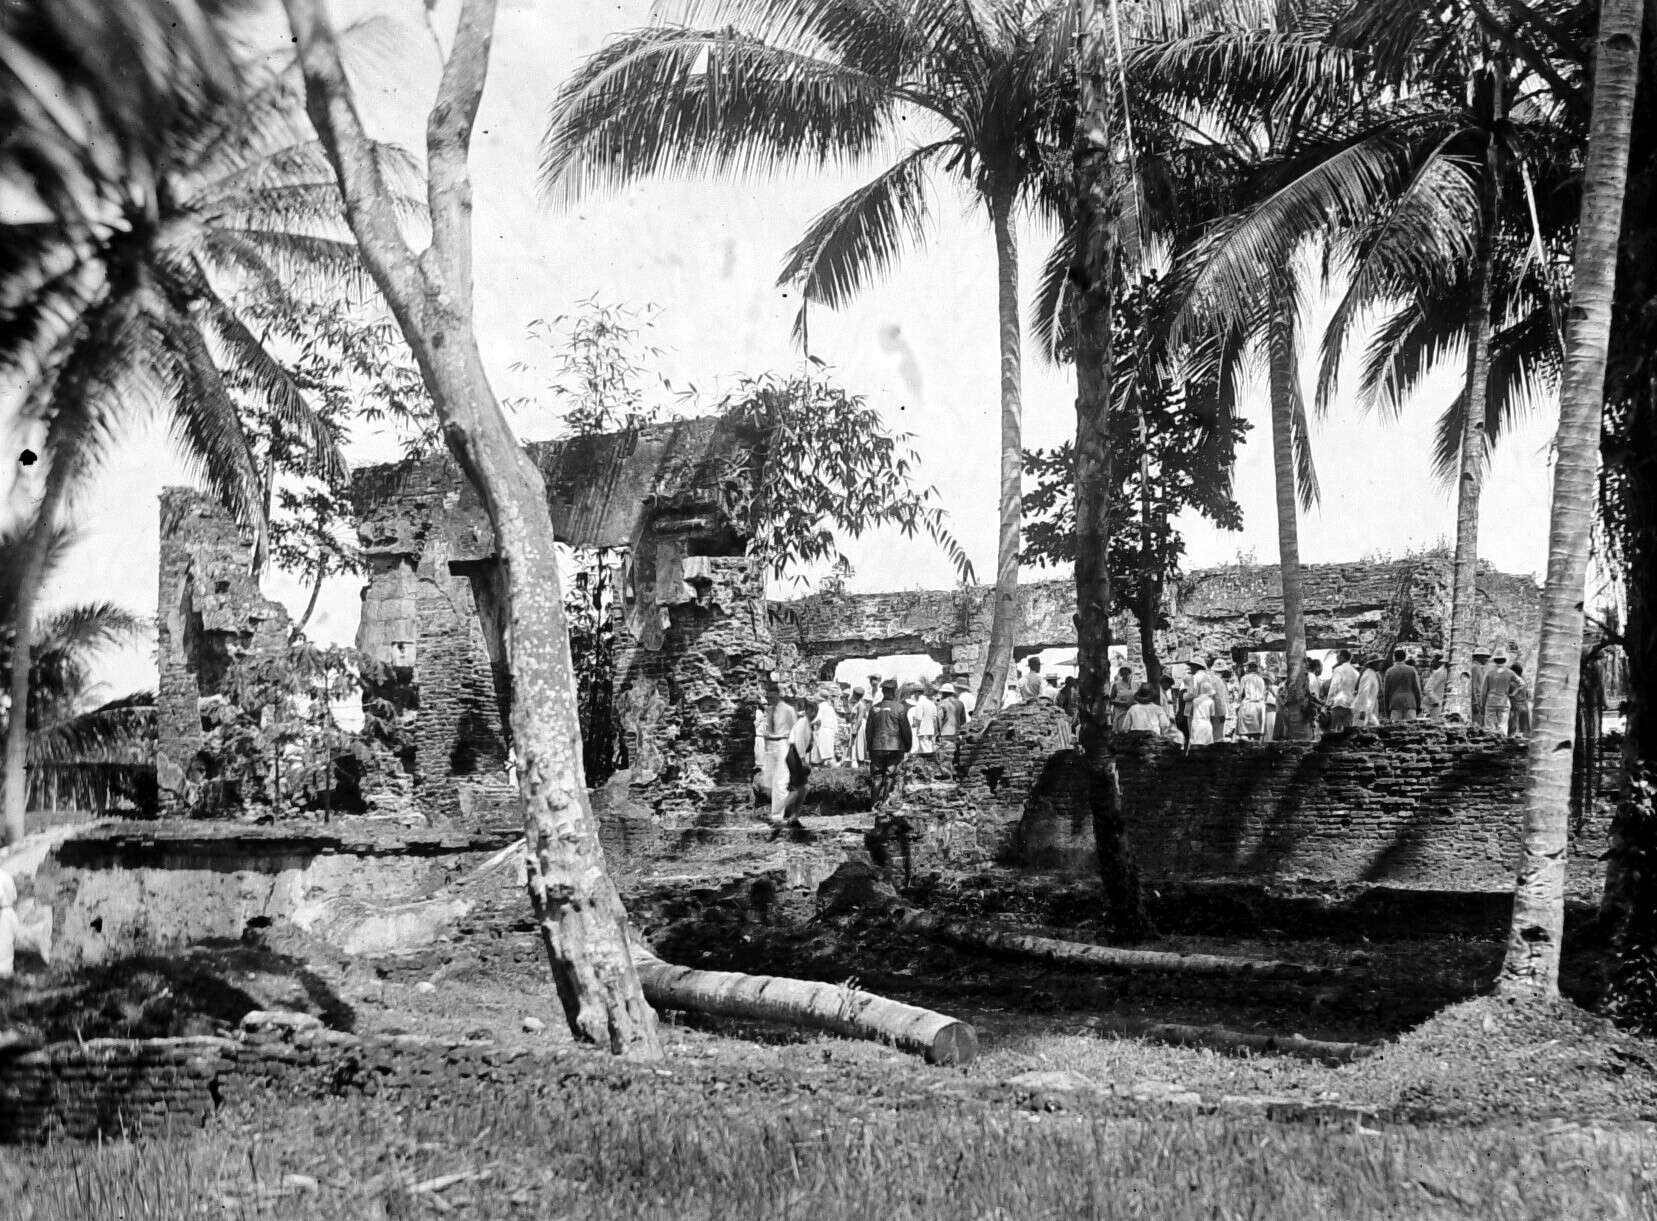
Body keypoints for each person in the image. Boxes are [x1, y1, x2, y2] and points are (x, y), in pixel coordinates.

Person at [864, 678, 911, 806]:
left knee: (876, 777)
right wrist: (908, 746)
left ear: (883, 691)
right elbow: (905, 730)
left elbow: (868, 730)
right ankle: (885, 806)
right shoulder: (900, 708)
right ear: (895, 691)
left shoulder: (874, 708)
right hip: (895, 747)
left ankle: (873, 806)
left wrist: (869, 748)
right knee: (890, 776)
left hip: (876, 747)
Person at [776, 698, 818, 824]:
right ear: (808, 710)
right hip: (795, 755)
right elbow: (799, 741)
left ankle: (794, 816)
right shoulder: (802, 722)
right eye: (814, 711)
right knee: (798, 788)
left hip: (797, 755)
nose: (815, 714)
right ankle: (778, 813)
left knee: (803, 788)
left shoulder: (807, 724)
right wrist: (802, 759)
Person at [759, 683, 797, 822]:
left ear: (778, 695)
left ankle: (777, 816)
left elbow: (794, 729)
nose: (770, 699)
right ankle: (783, 806)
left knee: (780, 781)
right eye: (768, 697)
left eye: (772, 696)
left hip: (783, 743)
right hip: (770, 744)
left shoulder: (788, 710)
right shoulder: (768, 710)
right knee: (767, 782)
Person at [1482, 650, 1518, 733]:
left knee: (1489, 728)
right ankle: (1502, 739)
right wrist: (1513, 694)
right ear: (1505, 660)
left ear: (1494, 660)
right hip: (1504, 703)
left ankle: (1490, 740)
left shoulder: (1489, 673)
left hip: (1491, 702)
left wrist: (1482, 704)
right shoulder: (1510, 672)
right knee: (1502, 727)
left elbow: (1484, 691)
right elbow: (1522, 683)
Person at [1383, 647, 1423, 721]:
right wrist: (1419, 705)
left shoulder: (1389, 671)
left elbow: (1386, 692)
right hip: (1410, 702)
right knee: (1411, 726)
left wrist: (1386, 709)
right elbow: (1417, 689)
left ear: (1394, 658)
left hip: (1394, 704)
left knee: (1395, 727)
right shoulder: (1411, 670)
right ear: (1404, 658)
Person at [936, 683, 966, 777]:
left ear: (944, 693)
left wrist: (937, 733)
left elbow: (939, 720)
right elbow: (963, 720)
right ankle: (953, 773)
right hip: (956, 733)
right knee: (954, 756)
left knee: (945, 756)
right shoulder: (960, 703)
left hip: (945, 733)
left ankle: (947, 776)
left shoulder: (942, 703)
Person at [1327, 650, 1359, 732]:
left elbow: (1334, 687)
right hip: (1350, 705)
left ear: (1343, 657)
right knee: (1346, 732)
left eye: (1338, 656)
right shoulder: (1356, 673)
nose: (1337, 658)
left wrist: (1328, 703)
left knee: (1333, 730)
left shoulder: (1338, 669)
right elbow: (1357, 691)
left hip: (1339, 704)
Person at [1237, 662, 1268, 740]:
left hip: (1248, 705)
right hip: (1259, 707)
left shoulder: (1244, 678)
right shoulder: (1261, 679)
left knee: (1245, 733)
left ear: (1248, 669)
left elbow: (1240, 693)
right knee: (1257, 734)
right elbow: (1263, 695)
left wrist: (1238, 702)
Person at [811, 689, 841, 765]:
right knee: (827, 751)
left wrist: (810, 723)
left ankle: (834, 765)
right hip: (830, 731)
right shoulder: (830, 707)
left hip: (823, 730)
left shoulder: (820, 706)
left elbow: (818, 720)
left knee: (825, 753)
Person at [1188, 666, 1216, 746]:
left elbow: (1191, 713)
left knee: (1196, 743)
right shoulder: (1211, 701)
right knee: (1207, 746)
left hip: (1196, 723)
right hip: (1206, 723)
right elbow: (1212, 716)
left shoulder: (1195, 700)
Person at [1469, 645, 1493, 728]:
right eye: (1485, 657)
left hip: (1479, 701)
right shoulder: (1475, 667)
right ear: (1479, 657)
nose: (1487, 659)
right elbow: (1472, 686)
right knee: (1476, 724)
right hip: (1476, 701)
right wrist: (1475, 702)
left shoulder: (1478, 667)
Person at [1354, 658, 1382, 726]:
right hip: (1364, 709)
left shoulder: (1372, 674)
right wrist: (1362, 710)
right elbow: (1364, 692)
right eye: (1379, 663)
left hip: (1368, 709)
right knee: (1359, 728)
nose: (1380, 665)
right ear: (1373, 664)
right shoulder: (1368, 675)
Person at [847, 687, 871, 767]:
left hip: (859, 726)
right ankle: (854, 759)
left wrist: (855, 730)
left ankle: (860, 760)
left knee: (859, 742)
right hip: (854, 724)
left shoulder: (861, 705)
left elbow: (860, 718)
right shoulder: (855, 704)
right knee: (854, 743)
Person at [1110, 666, 1137, 732]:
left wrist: (1133, 703)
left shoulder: (1136, 685)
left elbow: (1138, 698)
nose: (1125, 673)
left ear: (1130, 673)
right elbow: (1111, 700)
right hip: (1120, 710)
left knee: (1131, 730)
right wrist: (1121, 703)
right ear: (1120, 674)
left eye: (1127, 671)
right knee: (1121, 729)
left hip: (1132, 710)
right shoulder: (1116, 684)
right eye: (1123, 671)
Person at [1423, 653, 1448, 722]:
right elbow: (1427, 689)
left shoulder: (1446, 672)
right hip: (1437, 706)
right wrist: (1437, 701)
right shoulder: (1440, 673)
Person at [1509, 661, 1531, 737]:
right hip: (1524, 706)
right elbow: (1528, 696)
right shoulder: (1523, 681)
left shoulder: (1512, 682)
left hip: (1515, 707)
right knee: (1523, 731)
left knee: (1512, 732)